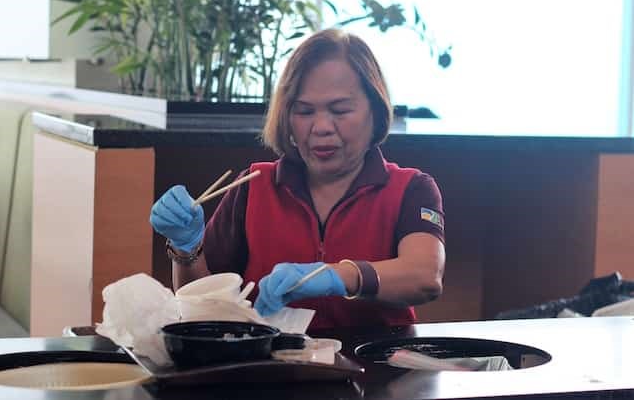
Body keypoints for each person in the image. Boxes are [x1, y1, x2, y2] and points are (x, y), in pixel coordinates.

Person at [150, 28, 446, 329]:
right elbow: (201, 306)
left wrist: (334, 276)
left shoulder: (411, 189)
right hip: (271, 366)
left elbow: (425, 277)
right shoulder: (253, 186)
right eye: (304, 111)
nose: (321, 127)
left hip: (379, 367)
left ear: (375, 109)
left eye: (340, 110)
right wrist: (186, 248)